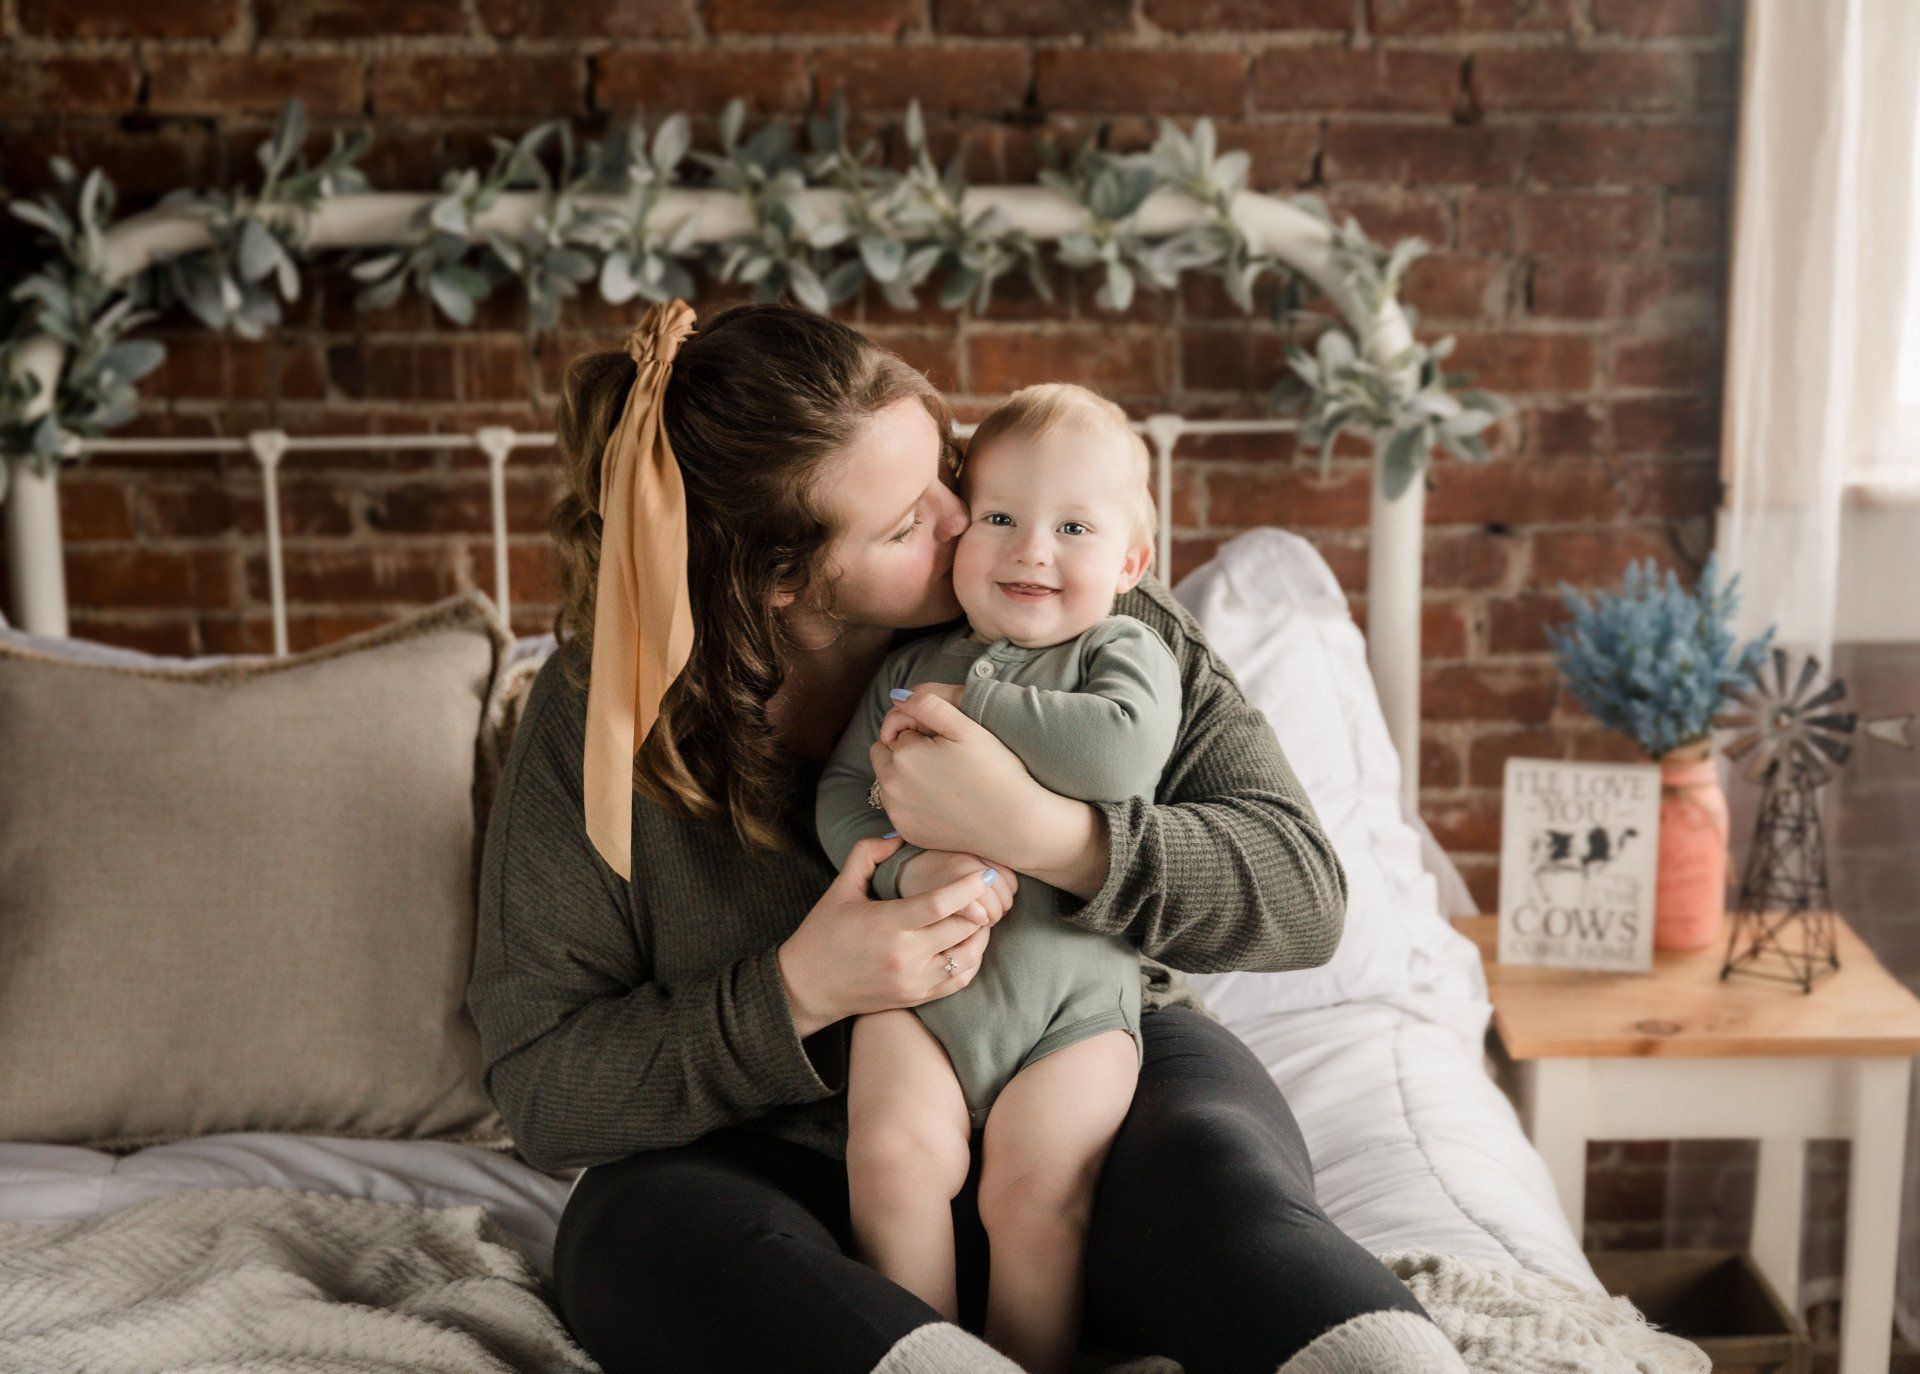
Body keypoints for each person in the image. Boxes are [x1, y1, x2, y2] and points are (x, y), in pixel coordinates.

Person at [465, 299, 1472, 1374]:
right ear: (777, 579)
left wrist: (1056, 836)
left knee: (1219, 1180)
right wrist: (800, 988)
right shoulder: (600, 713)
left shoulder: (1072, 598)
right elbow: (542, 1084)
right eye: (907, 523)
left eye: (945, 468)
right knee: (628, 1235)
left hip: (1094, 1062)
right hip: (788, 1145)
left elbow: (1302, 896)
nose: (968, 521)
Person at [815, 382, 1179, 1374]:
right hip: (921, 997)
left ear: (1132, 562)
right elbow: (845, 794)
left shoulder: (1123, 651)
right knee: (887, 1164)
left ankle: (1031, 1359)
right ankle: (925, 1355)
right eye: (1001, 518)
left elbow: (1116, 761)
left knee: (1033, 1194)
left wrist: (967, 702)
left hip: (1071, 1011)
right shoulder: (910, 662)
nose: (1032, 550)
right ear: (955, 534)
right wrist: (905, 870)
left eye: (1074, 526)